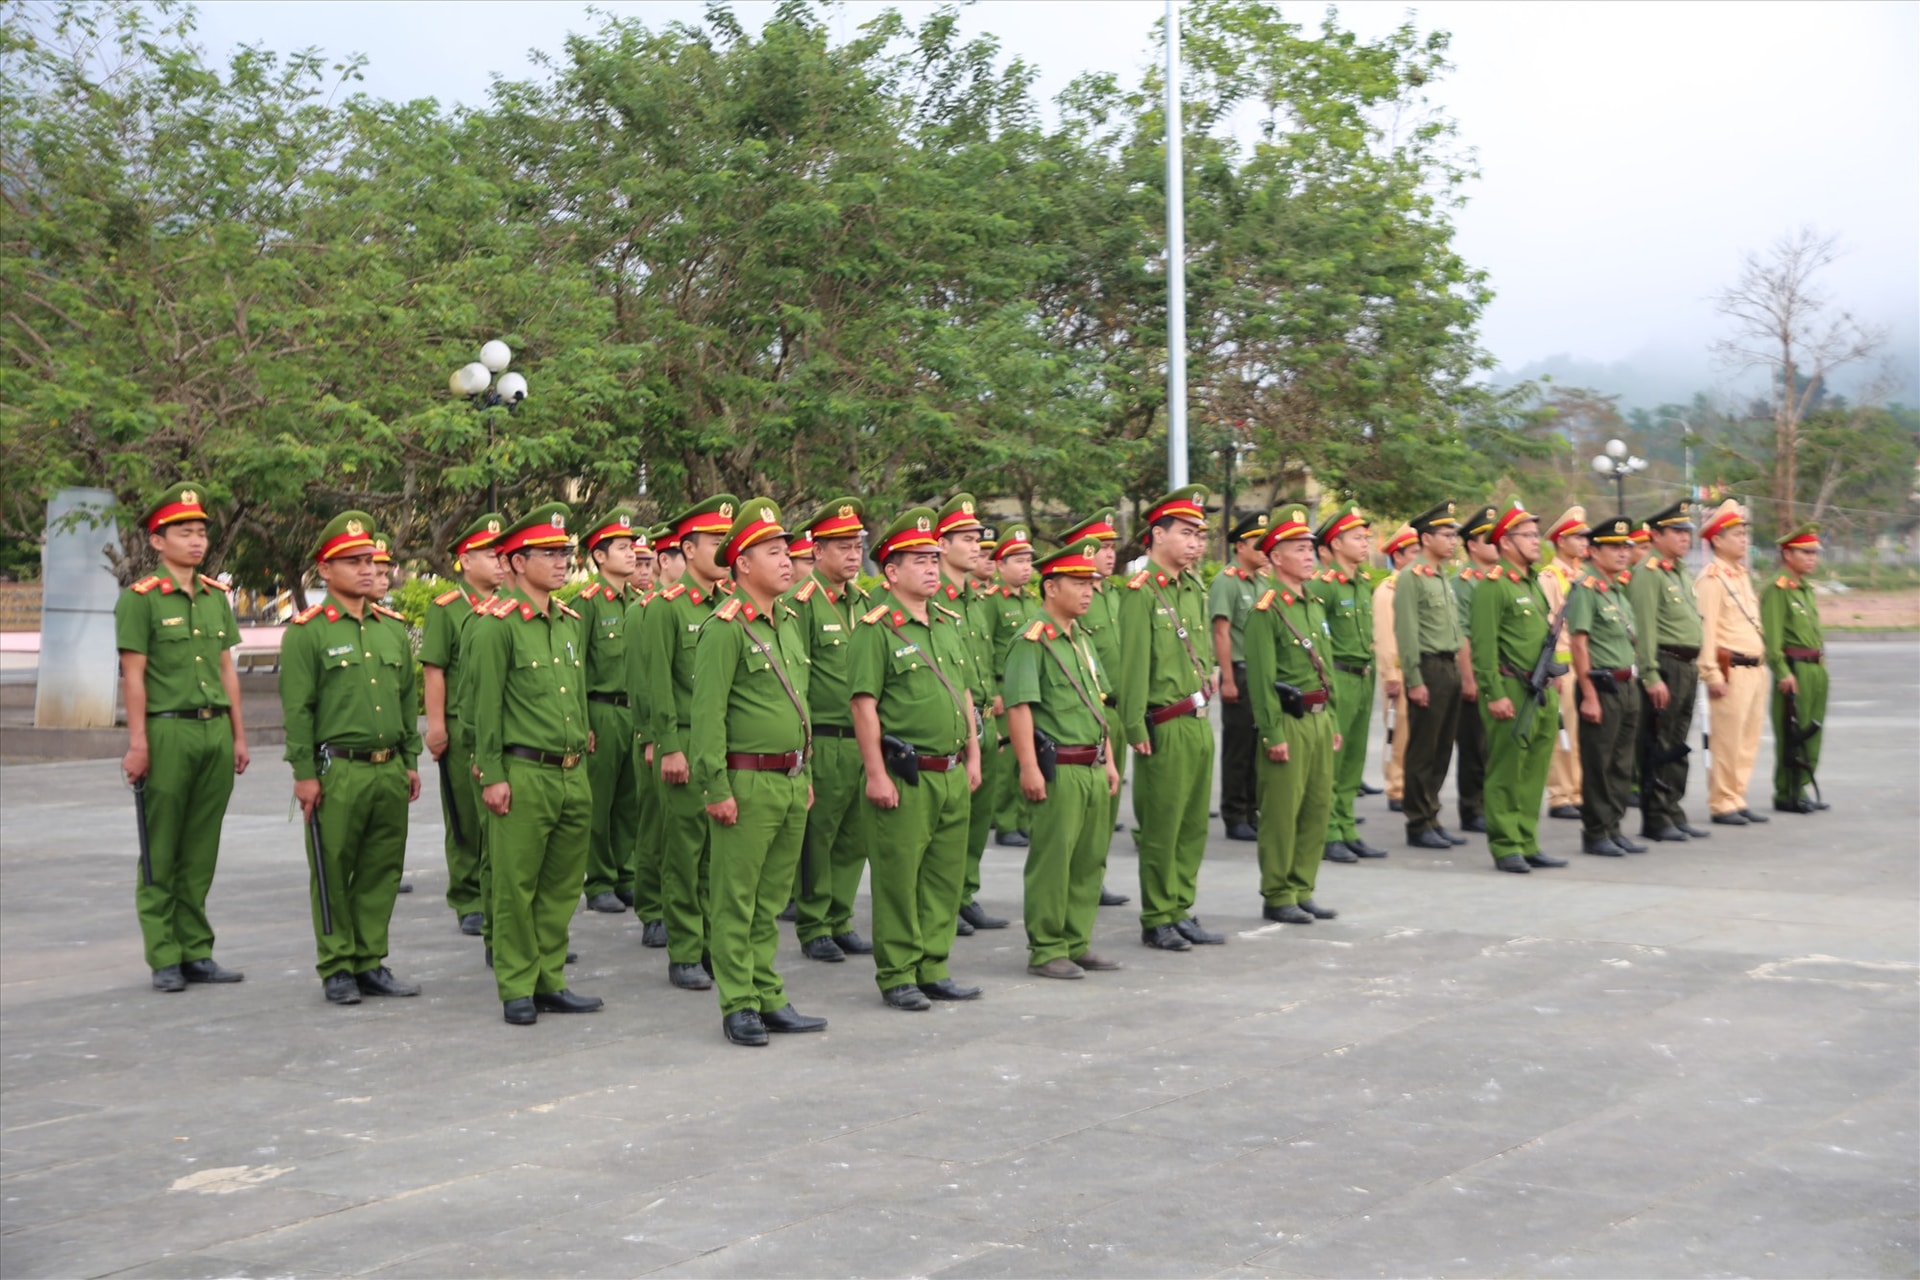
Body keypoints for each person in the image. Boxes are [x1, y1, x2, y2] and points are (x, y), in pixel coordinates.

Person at [691, 498, 829, 1045]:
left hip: (792, 780)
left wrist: (809, 774)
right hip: (745, 782)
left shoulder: (788, 624)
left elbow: (801, 705)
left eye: (788, 552)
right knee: (736, 897)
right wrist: (716, 787)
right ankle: (739, 1003)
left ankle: (768, 993)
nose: (788, 562)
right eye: (774, 553)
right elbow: (708, 718)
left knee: (770, 899)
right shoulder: (725, 630)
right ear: (742, 563)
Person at [279, 513, 423, 1003]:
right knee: (333, 868)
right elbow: (298, 709)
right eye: (353, 561)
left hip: (387, 767)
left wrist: (410, 760)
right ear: (325, 569)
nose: (366, 570)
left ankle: (370, 959)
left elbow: (407, 698)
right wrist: (303, 774)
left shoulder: (392, 630)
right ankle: (337, 964)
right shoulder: (308, 632)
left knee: (383, 867)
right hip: (336, 768)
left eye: (371, 561)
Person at [468, 503, 601, 1025]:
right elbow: (483, 708)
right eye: (549, 553)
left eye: (564, 553)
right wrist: (493, 775)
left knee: (562, 884)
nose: (562, 561)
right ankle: (518, 985)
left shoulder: (567, 621)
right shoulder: (495, 626)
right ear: (517, 562)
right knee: (515, 884)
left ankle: (550, 978)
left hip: (571, 771)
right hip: (523, 773)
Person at [115, 482, 251, 992]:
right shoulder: (140, 600)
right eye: (184, 532)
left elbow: (226, 669)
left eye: (200, 533)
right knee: (161, 846)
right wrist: (138, 742)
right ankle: (164, 954)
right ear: (157, 540)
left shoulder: (216, 597)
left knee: (201, 847)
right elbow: (134, 675)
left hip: (213, 729)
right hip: (167, 729)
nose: (196, 541)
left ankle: (197, 949)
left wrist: (238, 736)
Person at [851, 506, 984, 1010]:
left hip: (951, 770)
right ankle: (898, 973)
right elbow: (864, 705)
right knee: (899, 879)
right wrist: (876, 774)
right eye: (918, 560)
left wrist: (972, 755)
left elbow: (964, 694)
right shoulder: (877, 629)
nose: (931, 568)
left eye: (933, 558)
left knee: (943, 877)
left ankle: (934, 965)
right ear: (890, 571)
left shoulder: (948, 622)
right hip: (905, 776)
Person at [1005, 539, 1123, 978]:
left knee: (1089, 858)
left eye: (1092, 583)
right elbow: (1020, 707)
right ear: (1051, 587)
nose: (1089, 590)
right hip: (1060, 768)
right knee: (1054, 860)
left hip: (1091, 762)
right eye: (1078, 583)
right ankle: (1047, 946)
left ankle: (1077, 939)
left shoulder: (1081, 640)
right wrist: (1029, 768)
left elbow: (1099, 704)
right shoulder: (1031, 641)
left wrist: (1109, 760)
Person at [1118, 484, 1223, 951]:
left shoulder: (1193, 586)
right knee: (1161, 825)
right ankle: (1157, 915)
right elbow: (1133, 662)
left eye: (1200, 534)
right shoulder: (1141, 592)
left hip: (1198, 719)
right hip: (1163, 722)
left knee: (1192, 823)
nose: (1196, 542)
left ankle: (1181, 906)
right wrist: (1134, 725)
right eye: (1186, 532)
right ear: (1157, 535)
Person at [644, 496, 739, 989]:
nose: (724, 549)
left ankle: (710, 945)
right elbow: (658, 680)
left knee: (717, 856)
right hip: (683, 742)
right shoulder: (666, 608)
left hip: (722, 750)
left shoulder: (732, 605)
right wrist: (668, 745)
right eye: (715, 541)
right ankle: (684, 949)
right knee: (683, 853)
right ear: (687, 549)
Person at [779, 497, 875, 963]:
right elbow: (797, 680)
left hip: (864, 741)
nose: (853, 555)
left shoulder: (866, 603)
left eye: (856, 545)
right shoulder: (801, 605)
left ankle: (840, 917)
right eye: (841, 546)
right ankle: (814, 922)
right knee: (819, 835)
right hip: (827, 738)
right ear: (817, 552)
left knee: (856, 835)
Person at [1245, 504, 1341, 923]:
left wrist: (1333, 719)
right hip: (1288, 720)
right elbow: (1261, 679)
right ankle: (1278, 892)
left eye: (1310, 548)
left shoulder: (1313, 604)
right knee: (1283, 811)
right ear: (1275, 557)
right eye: (1298, 548)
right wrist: (1272, 733)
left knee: (1317, 807)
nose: (1309, 555)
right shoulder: (1266, 609)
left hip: (1319, 719)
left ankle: (1303, 886)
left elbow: (1328, 669)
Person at [1468, 498, 1566, 874]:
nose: (1535, 541)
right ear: (1505, 542)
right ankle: (1506, 844)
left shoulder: (1533, 583)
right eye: (1527, 535)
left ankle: (1527, 839)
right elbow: (1483, 646)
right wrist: (1493, 694)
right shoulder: (1494, 587)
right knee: (1507, 770)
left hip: (1540, 690)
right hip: (1510, 690)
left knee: (1534, 771)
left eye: (1535, 534)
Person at [422, 513, 505, 938]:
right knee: (465, 819)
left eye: (502, 554)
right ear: (464, 560)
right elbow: (434, 669)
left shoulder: (510, 606)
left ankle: (494, 899)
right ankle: (469, 896)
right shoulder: (449, 610)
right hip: (459, 725)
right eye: (490, 555)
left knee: (501, 821)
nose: (500, 562)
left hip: (501, 729)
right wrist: (436, 726)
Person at [934, 494, 1005, 935]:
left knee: (978, 819)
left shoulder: (976, 598)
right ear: (941, 544)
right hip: (953, 724)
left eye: (978, 537)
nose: (977, 545)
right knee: (950, 823)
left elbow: (986, 656)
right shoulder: (930, 596)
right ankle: (944, 898)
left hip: (984, 718)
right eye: (966, 538)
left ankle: (964, 893)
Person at [1060, 508, 1131, 908]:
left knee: (1107, 802)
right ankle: (1073, 879)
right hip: (1083, 712)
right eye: (1099, 548)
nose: (1108, 555)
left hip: (1116, 713)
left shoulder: (1117, 595)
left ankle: (1094, 877)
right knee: (1078, 812)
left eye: (1110, 547)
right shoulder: (1077, 602)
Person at [1395, 501, 1477, 850]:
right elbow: (1407, 631)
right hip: (1427, 666)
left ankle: (1432, 815)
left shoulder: (1442, 576)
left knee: (1443, 748)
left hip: (1449, 667)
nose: (1453, 540)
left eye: (1454, 534)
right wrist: (1414, 679)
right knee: (1423, 750)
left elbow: (1456, 631)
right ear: (1426, 538)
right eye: (1446, 534)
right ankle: (1418, 822)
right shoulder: (1411, 577)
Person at [1628, 501, 1710, 843]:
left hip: (1686, 666)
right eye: (1676, 532)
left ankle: (1673, 808)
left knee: (1677, 743)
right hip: (1666, 664)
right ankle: (1656, 816)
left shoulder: (1676, 571)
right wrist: (1650, 675)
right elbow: (1643, 628)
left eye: (1687, 532)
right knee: (1659, 743)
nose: (1684, 538)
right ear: (1656, 535)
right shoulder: (1648, 573)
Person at [1566, 515, 1647, 857]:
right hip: (1600, 684)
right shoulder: (1586, 588)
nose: (1622, 553)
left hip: (1626, 683)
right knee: (1599, 762)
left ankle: (1614, 826)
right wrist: (1588, 695)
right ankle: (1596, 831)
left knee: (1621, 762)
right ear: (1593, 551)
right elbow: (1579, 643)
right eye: (1613, 547)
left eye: (1625, 547)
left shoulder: (1617, 590)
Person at [1308, 504, 1385, 863]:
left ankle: (1347, 825)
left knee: (1354, 758)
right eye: (1357, 538)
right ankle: (1328, 832)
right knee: (1333, 760)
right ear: (1335, 544)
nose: (1364, 544)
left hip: (1363, 674)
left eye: (1365, 538)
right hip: (1337, 675)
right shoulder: (1323, 587)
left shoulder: (1363, 582)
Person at [577, 509, 644, 913]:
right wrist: (583, 722)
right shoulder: (587, 604)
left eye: (632, 546)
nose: (632, 554)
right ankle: (599, 879)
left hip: (634, 712)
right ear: (599, 557)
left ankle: (626, 872)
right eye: (622, 548)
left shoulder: (640, 602)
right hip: (601, 710)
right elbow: (578, 664)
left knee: (630, 799)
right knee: (599, 802)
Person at [1695, 499, 1772, 826]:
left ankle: (1737, 795)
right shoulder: (1711, 579)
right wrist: (1711, 674)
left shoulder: (1740, 575)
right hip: (1731, 670)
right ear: (1717, 540)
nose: (1743, 539)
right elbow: (1706, 630)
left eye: (1744, 533)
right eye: (1736, 534)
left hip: (1755, 668)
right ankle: (1723, 801)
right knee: (1726, 740)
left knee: (1747, 739)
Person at [1209, 512, 1269, 842]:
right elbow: (1221, 632)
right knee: (1238, 748)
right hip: (1241, 673)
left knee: (1259, 746)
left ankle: (1252, 810)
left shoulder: (1262, 582)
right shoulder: (1227, 581)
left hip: (1261, 675)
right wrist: (1227, 679)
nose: (1264, 548)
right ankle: (1234, 814)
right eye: (1258, 542)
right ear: (1240, 545)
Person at [626, 524, 673, 947]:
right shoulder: (646, 609)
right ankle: (653, 908)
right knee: (655, 826)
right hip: (659, 734)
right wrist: (649, 737)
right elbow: (642, 682)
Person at [1764, 524, 1829, 814]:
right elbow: (1772, 638)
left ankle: (1802, 785)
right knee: (1792, 732)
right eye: (1806, 552)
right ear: (1787, 554)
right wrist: (1782, 672)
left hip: (1815, 667)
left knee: (1812, 731)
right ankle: (1786, 792)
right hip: (1795, 668)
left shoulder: (1805, 588)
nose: (1812, 558)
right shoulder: (1777, 589)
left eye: (1814, 552)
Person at [987, 523, 1039, 858]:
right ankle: (1005, 822)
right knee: (1007, 765)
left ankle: (1023, 819)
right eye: (1017, 560)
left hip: (1029, 692)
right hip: (1005, 693)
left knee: (1028, 757)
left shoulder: (1032, 602)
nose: (1025, 567)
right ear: (999, 565)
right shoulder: (991, 602)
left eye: (1028, 560)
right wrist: (993, 692)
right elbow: (985, 647)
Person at [1538, 507, 1591, 821]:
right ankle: (1562, 795)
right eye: (1577, 537)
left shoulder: (1583, 576)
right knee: (1564, 734)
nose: (1585, 542)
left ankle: (1580, 790)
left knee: (1583, 734)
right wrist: (1554, 669)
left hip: (1588, 666)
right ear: (1560, 541)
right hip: (1566, 668)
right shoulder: (1550, 577)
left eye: (1585, 536)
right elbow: (1550, 627)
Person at [1451, 505, 1499, 835]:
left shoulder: (1500, 581)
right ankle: (1472, 808)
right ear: (1472, 546)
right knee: (1475, 746)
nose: (1497, 543)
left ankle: (1493, 805)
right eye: (1489, 539)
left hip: (1503, 674)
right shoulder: (1463, 583)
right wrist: (1468, 678)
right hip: (1477, 676)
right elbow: (1463, 635)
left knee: (1497, 747)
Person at [1372, 524, 1418, 812]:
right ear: (1398, 557)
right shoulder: (1388, 590)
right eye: (1414, 552)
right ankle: (1396, 787)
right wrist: (1391, 675)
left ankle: (1411, 784)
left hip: (1418, 670)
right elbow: (1385, 636)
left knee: (1416, 733)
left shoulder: (1416, 585)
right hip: (1399, 672)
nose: (1420, 557)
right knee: (1398, 732)